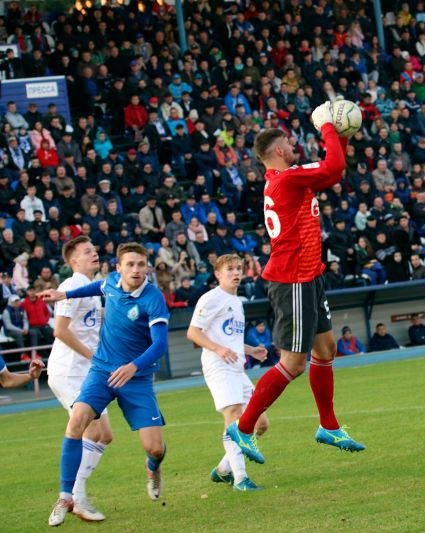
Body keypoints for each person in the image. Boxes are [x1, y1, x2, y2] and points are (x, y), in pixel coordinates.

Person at [226, 102, 365, 465]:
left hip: (310, 274)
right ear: (277, 151)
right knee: (293, 362)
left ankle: (329, 426)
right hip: (294, 279)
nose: (293, 145)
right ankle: (243, 427)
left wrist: (341, 134)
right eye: (288, 142)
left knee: (326, 349)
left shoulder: (288, 177)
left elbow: (333, 170)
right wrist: (328, 128)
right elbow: (333, 168)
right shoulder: (287, 178)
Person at [40, 243, 169, 526]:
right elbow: (96, 287)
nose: (136, 269)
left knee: (155, 448)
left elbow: (160, 344)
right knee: (77, 422)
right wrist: (65, 295)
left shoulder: (153, 298)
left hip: (136, 379)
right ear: (119, 268)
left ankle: (153, 468)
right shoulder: (110, 282)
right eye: (130, 264)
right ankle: (65, 497)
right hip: (101, 372)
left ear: (147, 267)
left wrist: (134, 366)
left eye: (141, 264)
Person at [186, 254, 269, 492]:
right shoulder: (211, 298)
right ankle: (241, 479)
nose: (236, 273)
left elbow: (229, 339)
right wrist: (218, 349)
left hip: (236, 368)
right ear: (217, 274)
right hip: (218, 366)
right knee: (233, 416)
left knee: (260, 423)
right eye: (230, 269)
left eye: (238, 268)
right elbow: (193, 333)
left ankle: (223, 469)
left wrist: (251, 350)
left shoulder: (236, 302)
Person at [47, 236, 110, 522]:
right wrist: (91, 355)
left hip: (86, 372)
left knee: (104, 435)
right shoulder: (70, 286)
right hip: (69, 371)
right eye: (87, 251)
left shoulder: (91, 289)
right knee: (90, 431)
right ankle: (75, 497)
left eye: (94, 250)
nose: (94, 254)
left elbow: (92, 322)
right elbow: (60, 330)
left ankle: (74, 495)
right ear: (74, 261)